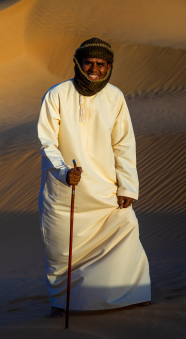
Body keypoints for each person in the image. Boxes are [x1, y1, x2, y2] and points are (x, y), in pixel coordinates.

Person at [37, 38, 151, 318]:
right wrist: (64, 172)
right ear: (78, 62)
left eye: (101, 64)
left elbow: (123, 144)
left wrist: (127, 186)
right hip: (67, 194)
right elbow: (46, 142)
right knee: (63, 256)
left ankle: (128, 299)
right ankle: (67, 306)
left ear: (109, 67)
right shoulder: (57, 94)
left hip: (106, 191)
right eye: (89, 62)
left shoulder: (115, 97)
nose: (94, 69)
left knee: (126, 234)